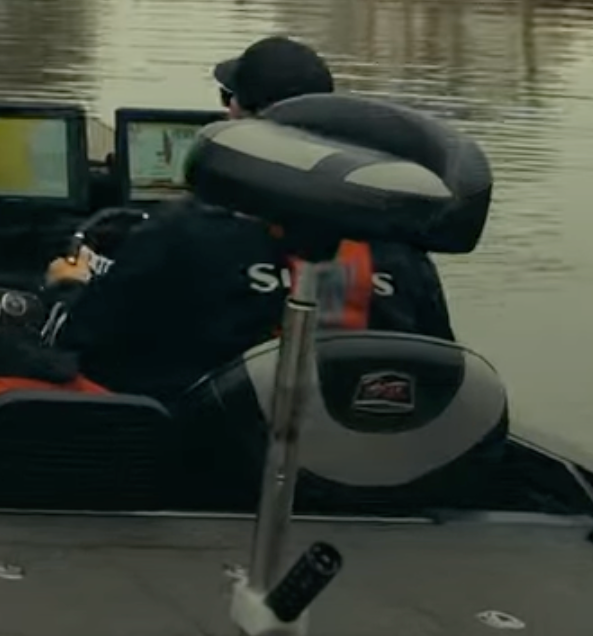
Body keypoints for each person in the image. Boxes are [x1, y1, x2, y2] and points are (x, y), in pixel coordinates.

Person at [37, 34, 455, 396]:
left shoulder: (181, 234)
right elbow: (440, 369)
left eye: (228, 98)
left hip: (208, 464)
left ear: (239, 117)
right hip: (361, 468)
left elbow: (79, 343)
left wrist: (66, 289)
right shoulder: (399, 251)